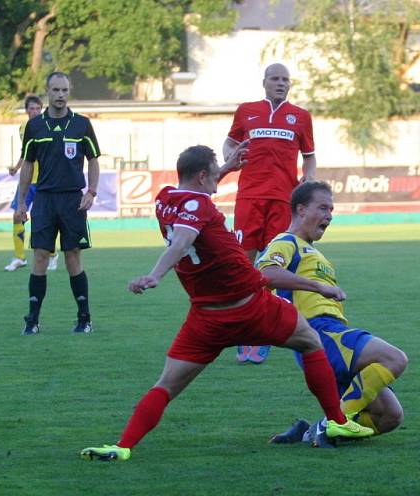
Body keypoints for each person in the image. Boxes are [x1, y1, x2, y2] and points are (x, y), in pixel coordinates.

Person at [80, 146, 372, 462]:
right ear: (203, 175)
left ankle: (123, 446)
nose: (219, 177)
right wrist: (154, 275)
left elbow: (190, 209)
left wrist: (229, 166)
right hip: (251, 307)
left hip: (205, 319)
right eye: (215, 171)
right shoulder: (199, 207)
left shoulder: (165, 199)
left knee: (166, 385)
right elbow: (182, 240)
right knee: (311, 343)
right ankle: (338, 422)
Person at [257, 181, 408, 448]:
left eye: (332, 209)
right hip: (319, 331)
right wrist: (317, 285)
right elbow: (265, 273)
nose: (329, 215)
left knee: (390, 417)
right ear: (301, 209)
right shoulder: (286, 241)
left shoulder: (313, 252)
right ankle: (334, 423)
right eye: (323, 207)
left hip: (332, 333)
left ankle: (309, 432)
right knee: (394, 358)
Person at [223, 62, 317, 364]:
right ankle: (243, 329)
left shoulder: (301, 116)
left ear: (290, 84)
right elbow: (230, 141)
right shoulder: (246, 110)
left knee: (275, 265)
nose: (280, 83)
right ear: (264, 82)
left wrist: (310, 180)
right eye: (275, 79)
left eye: (285, 79)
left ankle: (264, 332)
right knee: (244, 263)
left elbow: (310, 156)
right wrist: (230, 157)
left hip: (282, 199)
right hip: (249, 196)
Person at [15, 73, 100, 335]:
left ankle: (84, 318)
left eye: (64, 90)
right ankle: (32, 320)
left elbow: (94, 159)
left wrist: (91, 192)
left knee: (73, 257)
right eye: (55, 90)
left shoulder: (82, 124)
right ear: (47, 91)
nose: (60, 95)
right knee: (39, 256)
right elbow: (27, 165)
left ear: (69, 91)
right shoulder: (35, 127)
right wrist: (21, 203)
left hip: (73, 200)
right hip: (44, 200)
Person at [5, 95, 59, 272]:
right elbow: (26, 153)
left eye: (37, 108)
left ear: (41, 109)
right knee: (17, 215)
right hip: (27, 181)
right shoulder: (23, 128)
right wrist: (16, 167)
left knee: (45, 219)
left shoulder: (49, 126)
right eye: (31, 108)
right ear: (26, 110)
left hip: (44, 181)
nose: (34, 111)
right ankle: (20, 257)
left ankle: (52, 254)